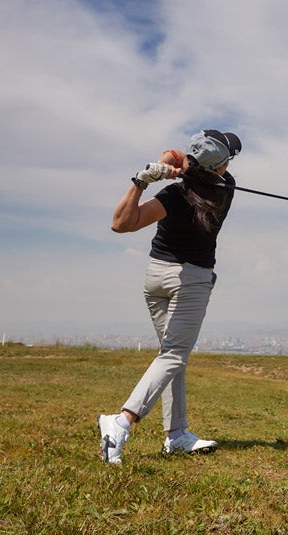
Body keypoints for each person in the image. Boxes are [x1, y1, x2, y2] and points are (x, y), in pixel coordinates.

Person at [97, 129, 241, 464]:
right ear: (218, 167)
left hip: (156, 278)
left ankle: (176, 434)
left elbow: (121, 224)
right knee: (174, 356)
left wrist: (143, 179)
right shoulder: (224, 186)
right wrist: (164, 165)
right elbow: (178, 157)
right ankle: (120, 423)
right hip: (190, 279)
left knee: (170, 359)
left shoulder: (174, 197)